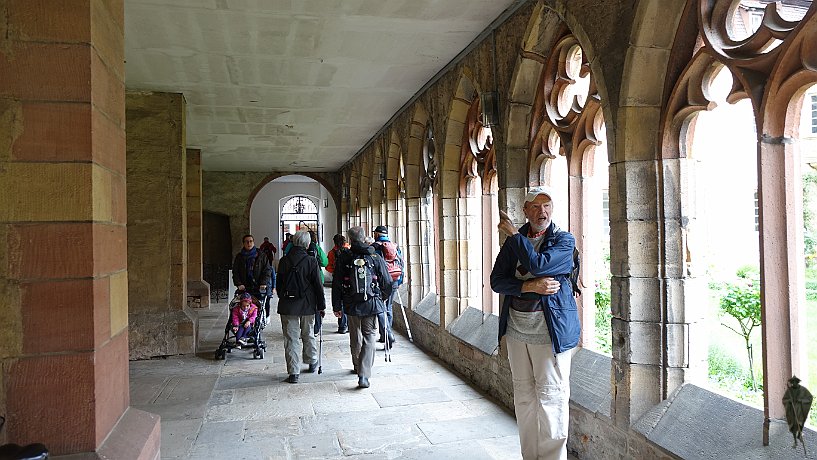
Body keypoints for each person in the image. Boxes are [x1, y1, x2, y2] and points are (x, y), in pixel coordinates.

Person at [490, 186, 580, 460]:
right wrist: (528, 286)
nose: (543, 212)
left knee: (552, 399)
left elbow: (540, 265)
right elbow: (497, 281)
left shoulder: (564, 240)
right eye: (537, 206)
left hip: (549, 334)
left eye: (547, 206)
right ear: (526, 210)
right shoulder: (513, 244)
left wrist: (515, 236)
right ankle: (530, 456)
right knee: (525, 398)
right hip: (517, 331)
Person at [332, 226, 392, 388]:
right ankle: (364, 374)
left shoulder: (344, 257)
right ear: (365, 238)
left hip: (351, 303)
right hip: (371, 302)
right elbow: (387, 282)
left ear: (350, 240)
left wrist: (337, 305)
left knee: (355, 335)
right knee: (370, 336)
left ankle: (357, 365)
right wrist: (381, 298)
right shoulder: (374, 256)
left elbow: (337, 283)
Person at [276, 230, 326, 384]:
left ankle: (293, 372)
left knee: (291, 339)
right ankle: (311, 361)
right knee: (308, 333)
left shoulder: (284, 261)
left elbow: (279, 285)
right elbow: (318, 286)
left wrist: (285, 297)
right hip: (307, 304)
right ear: (308, 243)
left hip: (288, 305)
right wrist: (321, 306)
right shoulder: (311, 261)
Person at [285, 230, 329, 335]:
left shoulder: (290, 249)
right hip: (313, 280)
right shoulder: (315, 248)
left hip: (292, 284)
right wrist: (322, 305)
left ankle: (299, 330)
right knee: (315, 303)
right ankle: (316, 328)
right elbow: (324, 262)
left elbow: (286, 253)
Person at [371, 225, 403, 345]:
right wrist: (399, 281)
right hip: (394, 280)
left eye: (375, 233)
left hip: (380, 282)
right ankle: (387, 333)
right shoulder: (395, 246)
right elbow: (401, 263)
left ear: (377, 234)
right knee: (388, 307)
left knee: (380, 308)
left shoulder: (376, 247)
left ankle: (386, 334)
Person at [232, 234, 274, 316]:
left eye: (251, 241)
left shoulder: (261, 255)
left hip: (258, 286)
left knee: (260, 305)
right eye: (246, 242)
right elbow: (236, 271)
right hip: (245, 286)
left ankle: (264, 318)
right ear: (243, 243)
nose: (249, 243)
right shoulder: (239, 257)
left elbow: (267, 270)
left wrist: (263, 283)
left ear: (253, 242)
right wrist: (239, 283)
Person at [326, 233, 351, 334]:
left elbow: (328, 266)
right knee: (348, 301)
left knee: (339, 301)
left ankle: (342, 326)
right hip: (349, 279)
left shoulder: (332, 253)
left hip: (337, 278)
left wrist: (335, 271)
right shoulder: (349, 249)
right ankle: (349, 325)